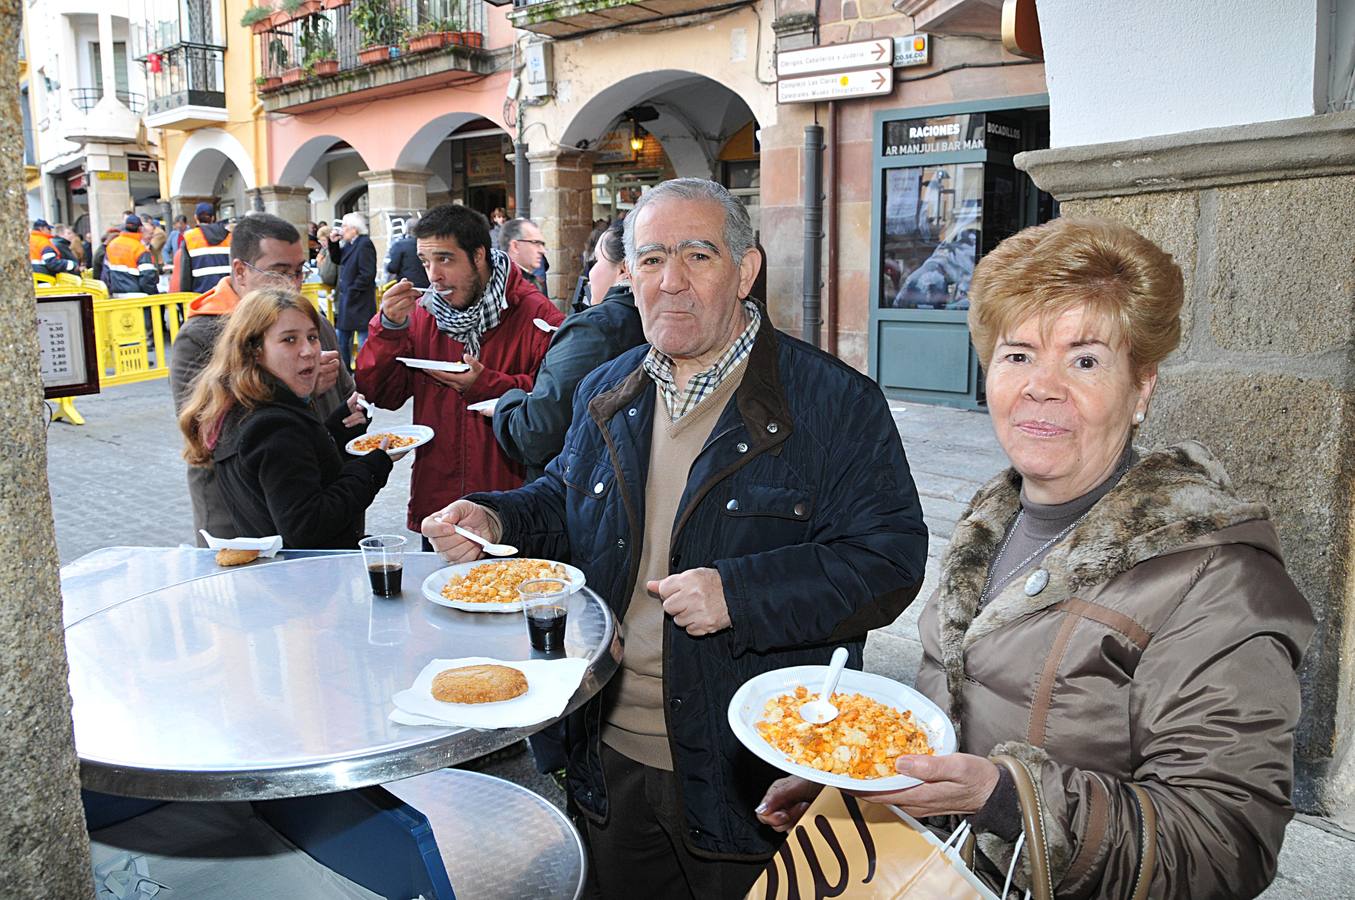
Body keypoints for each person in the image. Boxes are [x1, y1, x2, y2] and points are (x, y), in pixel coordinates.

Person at [756, 217, 1315, 899]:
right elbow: (960, 707)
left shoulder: (1217, 578)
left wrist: (1005, 799)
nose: (1041, 386)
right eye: (1017, 354)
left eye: (1084, 359)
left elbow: (1223, 845)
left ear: (1140, 388)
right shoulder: (989, 519)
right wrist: (861, 773)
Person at [423, 178, 929, 899]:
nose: (672, 283)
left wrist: (741, 593)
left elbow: (889, 562)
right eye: (653, 259)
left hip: (748, 774)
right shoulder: (609, 386)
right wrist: (495, 516)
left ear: (746, 269)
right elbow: (567, 494)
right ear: (627, 274)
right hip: (607, 752)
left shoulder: (834, 403)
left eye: (698, 256)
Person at [356, 203, 562, 542]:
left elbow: (556, 406)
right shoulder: (423, 313)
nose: (433, 275)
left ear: (479, 255)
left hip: (507, 508)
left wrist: (485, 385)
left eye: (445, 260)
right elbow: (383, 394)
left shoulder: (537, 315)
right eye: (426, 262)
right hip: (438, 504)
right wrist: (388, 328)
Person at [170, 213, 354, 546]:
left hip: (319, 501)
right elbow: (205, 429)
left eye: (299, 271)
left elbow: (345, 393)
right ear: (240, 271)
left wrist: (353, 415)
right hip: (242, 519)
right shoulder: (200, 335)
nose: (293, 284)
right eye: (279, 273)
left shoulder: (311, 322)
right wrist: (306, 392)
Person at [178, 287, 392, 549]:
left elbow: (294, 470)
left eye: (312, 337)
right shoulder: (274, 426)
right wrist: (372, 468)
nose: (308, 350)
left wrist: (334, 430)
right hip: (305, 582)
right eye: (289, 340)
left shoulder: (243, 407)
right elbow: (308, 526)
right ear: (255, 350)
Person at [485, 219, 645, 481]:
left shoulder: (593, 329)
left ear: (624, 270)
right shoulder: (658, 321)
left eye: (595, 262)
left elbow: (534, 433)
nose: (590, 274)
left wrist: (508, 403)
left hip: (581, 489)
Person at [328, 211, 378, 371]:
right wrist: (333, 243)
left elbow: (367, 273)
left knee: (362, 339)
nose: (342, 230)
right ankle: (345, 371)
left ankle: (364, 370)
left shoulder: (364, 244)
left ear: (354, 229)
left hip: (359, 299)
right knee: (342, 337)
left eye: (345, 226)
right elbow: (337, 259)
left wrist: (352, 290)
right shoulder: (351, 244)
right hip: (349, 299)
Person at [170, 202, 232, 294]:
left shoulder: (189, 238)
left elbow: (186, 275)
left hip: (201, 297)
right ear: (213, 218)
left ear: (195, 217)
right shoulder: (230, 237)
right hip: (227, 295)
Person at [102, 215, 160, 297]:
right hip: (138, 298)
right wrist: (155, 296)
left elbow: (105, 274)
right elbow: (147, 278)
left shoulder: (111, 245)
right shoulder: (140, 249)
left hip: (116, 297)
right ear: (140, 229)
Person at [499, 217, 549, 296]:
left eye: (542, 244)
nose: (542, 250)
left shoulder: (529, 282)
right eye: (535, 242)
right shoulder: (502, 286)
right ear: (515, 246)